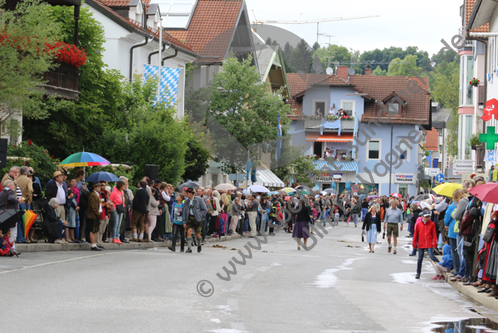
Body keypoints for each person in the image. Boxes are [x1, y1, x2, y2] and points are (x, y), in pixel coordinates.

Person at [413, 209, 438, 279]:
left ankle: (440, 269)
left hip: (429, 243)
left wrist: (434, 243)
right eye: (426, 217)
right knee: (420, 258)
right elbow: (415, 234)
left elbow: (434, 235)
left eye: (428, 217)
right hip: (421, 243)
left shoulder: (432, 224)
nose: (427, 218)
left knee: (432, 256)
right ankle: (418, 273)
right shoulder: (418, 224)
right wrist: (414, 243)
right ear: (423, 216)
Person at [182, 187, 207, 253]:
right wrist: (184, 221)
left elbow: (204, 209)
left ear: (191, 193)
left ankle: (199, 244)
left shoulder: (199, 199)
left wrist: (200, 215)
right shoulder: (186, 201)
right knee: (189, 231)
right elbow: (184, 212)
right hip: (189, 218)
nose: (186, 194)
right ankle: (189, 248)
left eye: (188, 193)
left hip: (197, 218)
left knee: (197, 233)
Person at [16, 166, 32, 244]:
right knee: (25, 220)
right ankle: (22, 238)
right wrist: (29, 199)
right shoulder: (28, 180)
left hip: (17, 201)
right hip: (24, 201)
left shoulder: (17, 179)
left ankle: (18, 237)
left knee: (18, 220)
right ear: (27, 173)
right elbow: (30, 190)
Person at [86, 183, 103, 251]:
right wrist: (97, 213)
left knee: (95, 230)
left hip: (96, 215)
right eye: (98, 187)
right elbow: (94, 206)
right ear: (94, 187)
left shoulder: (96, 194)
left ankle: (95, 244)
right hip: (93, 215)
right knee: (92, 229)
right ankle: (93, 244)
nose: (100, 188)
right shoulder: (93, 195)